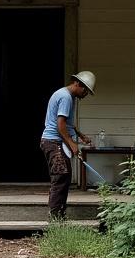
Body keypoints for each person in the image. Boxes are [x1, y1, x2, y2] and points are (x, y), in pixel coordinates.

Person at [40, 70, 96, 218]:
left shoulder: (68, 96)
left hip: (56, 141)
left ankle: (59, 214)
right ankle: (56, 218)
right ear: (77, 83)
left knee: (64, 177)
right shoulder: (66, 97)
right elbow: (60, 125)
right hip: (54, 142)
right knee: (60, 177)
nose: (85, 94)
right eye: (85, 90)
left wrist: (79, 135)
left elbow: (67, 122)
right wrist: (72, 143)